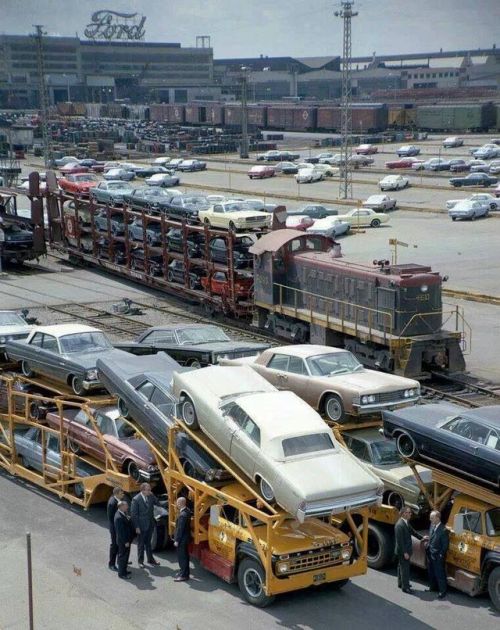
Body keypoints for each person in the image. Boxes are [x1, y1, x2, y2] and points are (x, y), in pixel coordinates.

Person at [394, 506, 423, 593]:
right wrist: (405, 553)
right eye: (409, 512)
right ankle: (405, 587)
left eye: (410, 512)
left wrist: (421, 538)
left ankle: (401, 583)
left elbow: (412, 531)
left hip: (405, 550)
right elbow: (400, 541)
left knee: (401, 566)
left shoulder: (406, 522)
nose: (411, 514)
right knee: (405, 568)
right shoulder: (399, 525)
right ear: (404, 514)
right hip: (403, 551)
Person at [130, 482, 160, 568]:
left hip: (150, 524)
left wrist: (153, 495)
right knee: (141, 544)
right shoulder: (136, 499)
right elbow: (134, 515)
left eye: (150, 489)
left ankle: (150, 559)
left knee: (148, 543)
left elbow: (157, 503)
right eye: (148, 490)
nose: (150, 491)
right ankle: (140, 561)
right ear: (142, 490)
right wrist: (137, 527)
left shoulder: (150, 496)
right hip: (141, 526)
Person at [425, 510, 449, 599]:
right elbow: (431, 536)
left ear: (438, 518)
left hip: (438, 556)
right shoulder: (432, 525)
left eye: (432, 518)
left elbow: (445, 545)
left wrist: (440, 556)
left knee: (440, 574)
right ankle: (432, 588)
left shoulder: (443, 530)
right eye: (430, 518)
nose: (430, 519)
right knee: (431, 572)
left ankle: (442, 591)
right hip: (430, 553)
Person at [114, 500, 135, 580]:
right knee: (123, 557)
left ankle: (124, 571)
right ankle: (121, 574)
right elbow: (120, 532)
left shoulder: (122, 513)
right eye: (126, 506)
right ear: (121, 507)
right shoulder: (119, 517)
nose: (127, 507)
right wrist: (125, 542)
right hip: (123, 541)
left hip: (126, 540)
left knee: (125, 556)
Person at [173, 496, 192, 582]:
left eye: (177, 503)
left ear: (180, 504)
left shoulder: (182, 515)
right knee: (185, 557)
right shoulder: (187, 511)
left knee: (182, 558)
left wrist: (176, 540)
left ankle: (184, 575)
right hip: (186, 538)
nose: (176, 504)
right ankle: (183, 572)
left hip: (182, 540)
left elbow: (180, 529)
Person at [107, 487, 124, 571]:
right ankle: (111, 564)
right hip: (115, 529)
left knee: (119, 545)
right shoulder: (112, 503)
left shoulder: (117, 500)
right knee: (114, 545)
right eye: (121, 493)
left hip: (118, 527)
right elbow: (111, 518)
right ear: (116, 494)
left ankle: (120, 560)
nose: (123, 494)